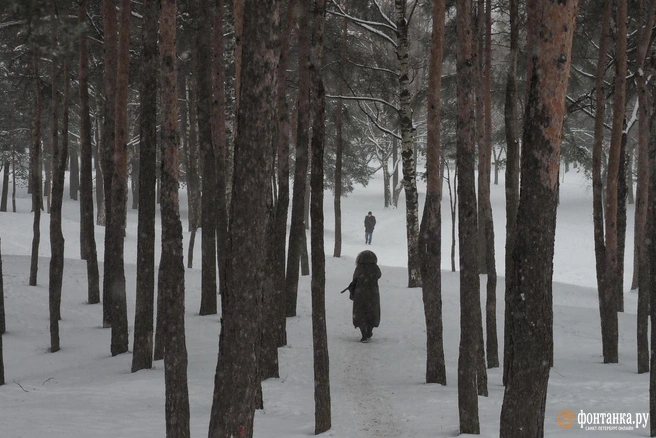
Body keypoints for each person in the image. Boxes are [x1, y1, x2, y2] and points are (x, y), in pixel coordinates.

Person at [349, 250, 382, 343]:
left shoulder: (359, 268)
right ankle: (369, 330)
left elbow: (355, 278)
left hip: (360, 294)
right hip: (373, 294)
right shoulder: (375, 268)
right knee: (372, 312)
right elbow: (379, 275)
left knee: (361, 313)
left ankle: (363, 333)